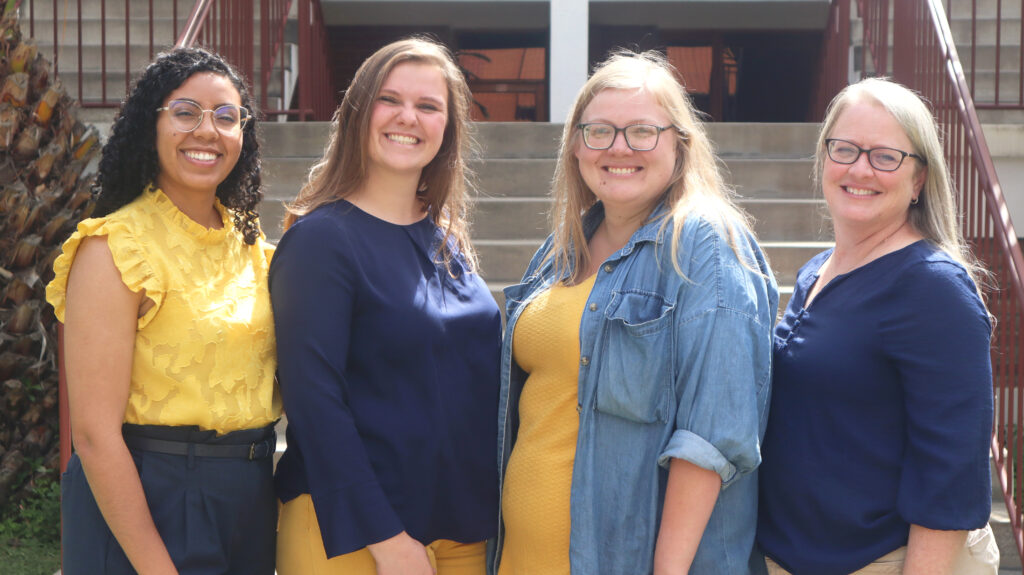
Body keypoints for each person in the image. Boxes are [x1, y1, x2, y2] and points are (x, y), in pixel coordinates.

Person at [492, 50, 778, 575]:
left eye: (643, 131)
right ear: (575, 145)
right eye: (599, 131)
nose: (619, 147)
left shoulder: (704, 247)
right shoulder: (561, 249)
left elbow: (713, 438)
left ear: (679, 144)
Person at [270, 37, 500, 575]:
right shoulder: (320, 241)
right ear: (358, 112)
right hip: (354, 533)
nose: (407, 118)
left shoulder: (447, 241)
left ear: (448, 127)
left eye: (428, 106)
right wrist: (387, 540)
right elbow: (315, 404)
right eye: (389, 99)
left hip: (460, 529)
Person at [47, 48, 278, 574]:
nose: (207, 131)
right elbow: (93, 436)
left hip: (248, 496)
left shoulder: (252, 248)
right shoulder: (114, 248)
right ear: (149, 125)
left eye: (226, 116)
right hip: (149, 495)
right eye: (185, 112)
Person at [757, 77, 1000, 575]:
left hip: (886, 561)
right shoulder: (816, 271)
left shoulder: (933, 289)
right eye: (845, 149)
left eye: (885, 157)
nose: (860, 169)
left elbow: (950, 475)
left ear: (918, 181)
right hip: (797, 557)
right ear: (824, 158)